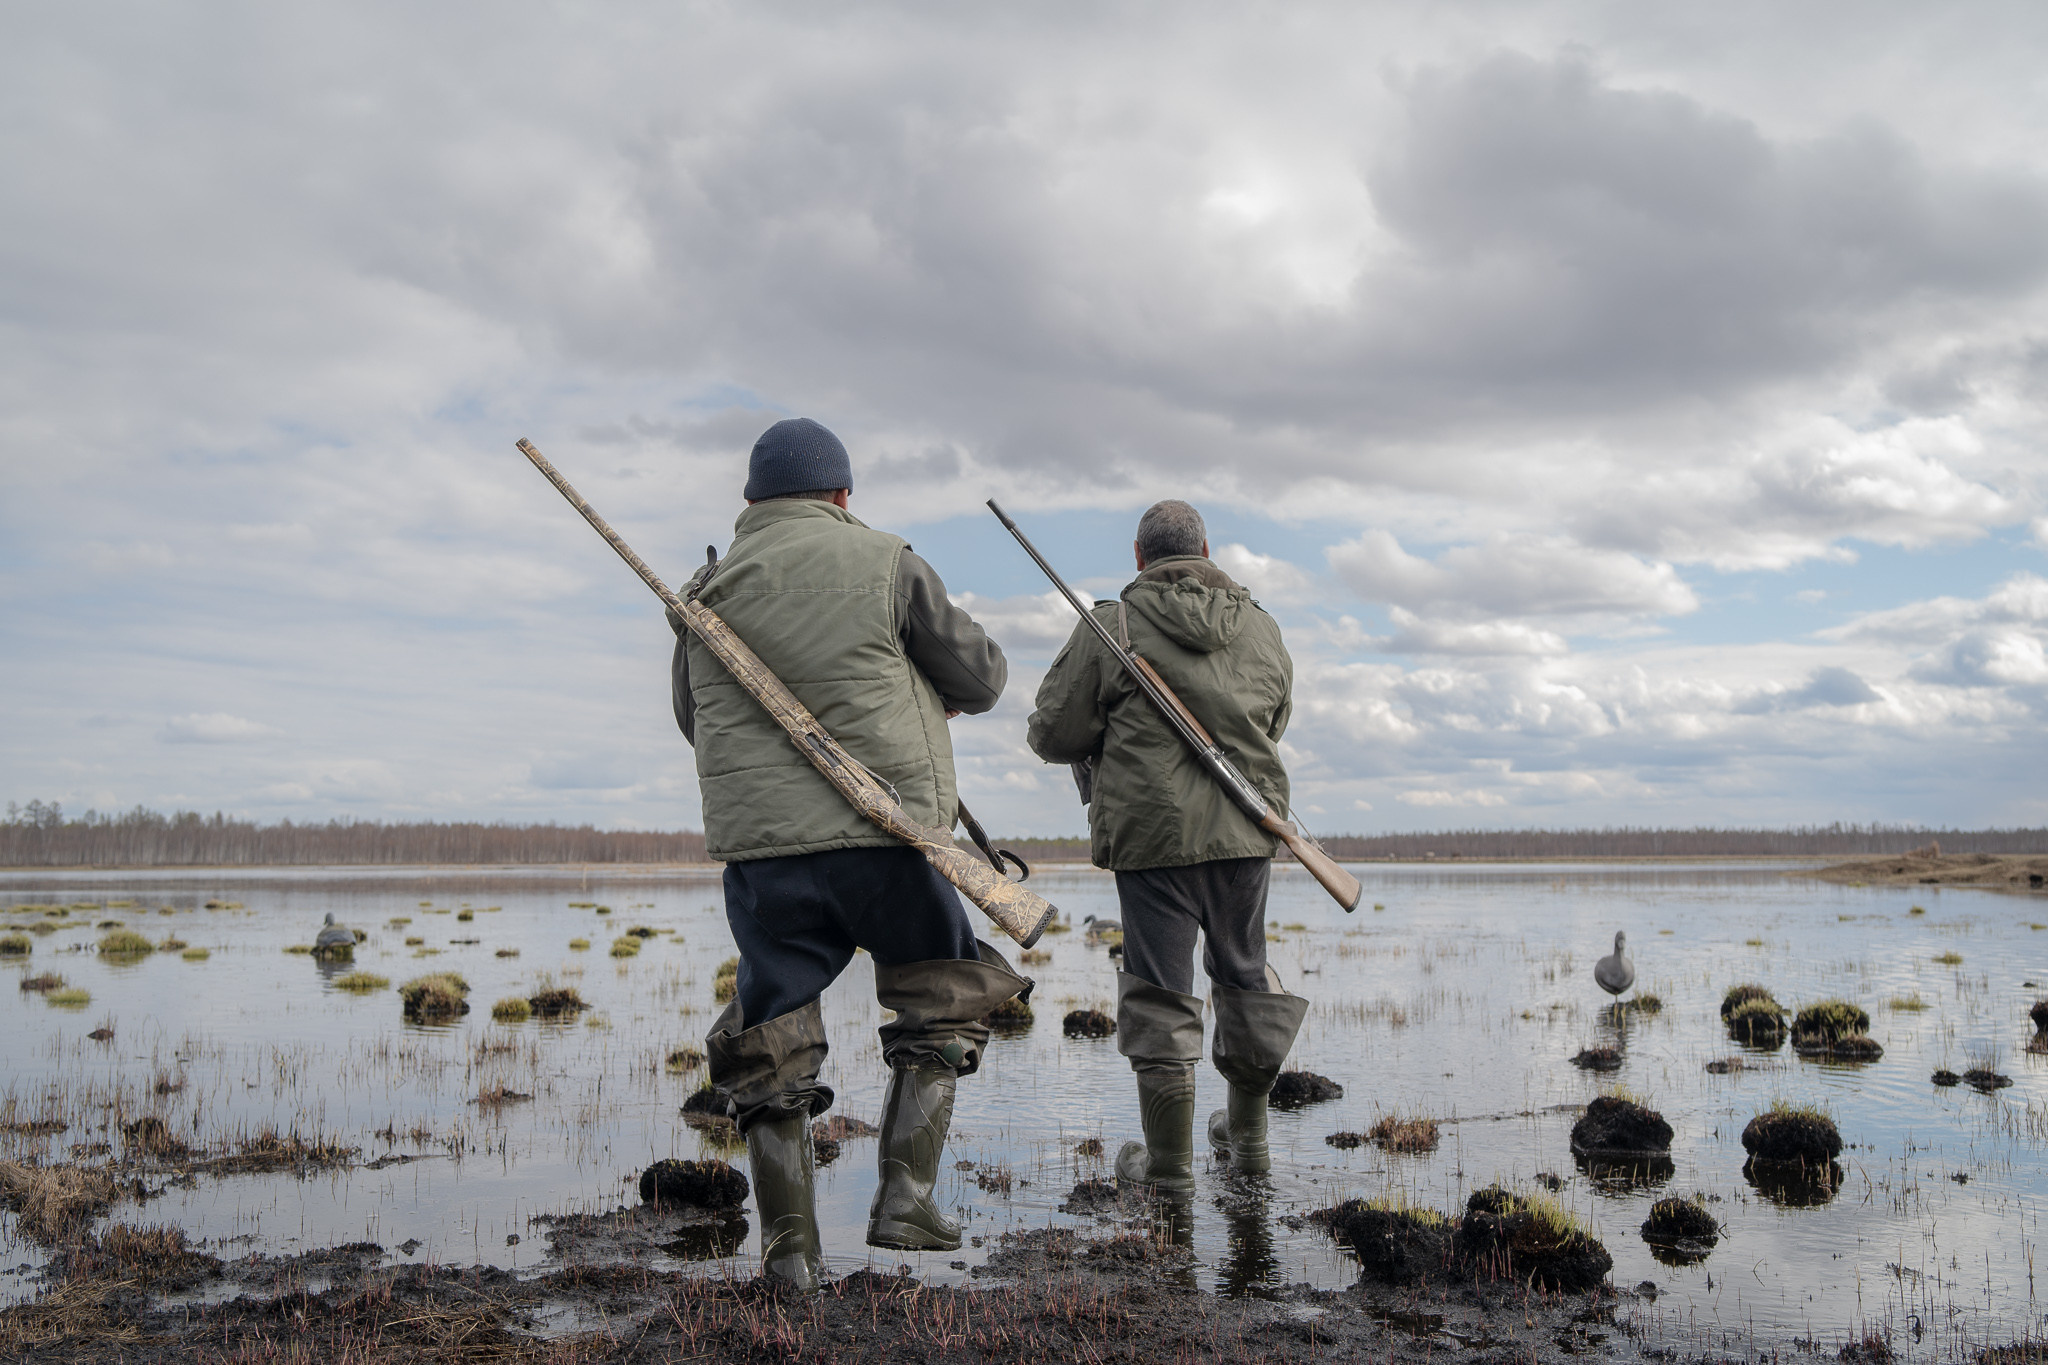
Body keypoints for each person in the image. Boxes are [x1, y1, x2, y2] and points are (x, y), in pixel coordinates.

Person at [671, 417, 1028, 1291]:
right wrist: (923, 688)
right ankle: (906, 1198)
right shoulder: (886, 561)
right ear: (841, 495)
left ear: (751, 498)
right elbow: (982, 677)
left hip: (766, 856)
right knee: (943, 994)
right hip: (889, 838)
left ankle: (789, 1256)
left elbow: (694, 717)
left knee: (769, 1038)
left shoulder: (704, 592)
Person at [1025, 499, 1308, 1196]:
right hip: (1247, 833)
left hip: (1152, 840)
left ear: (1138, 556)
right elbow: (1274, 718)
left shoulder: (1112, 623)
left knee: (1160, 993)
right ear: (1206, 551)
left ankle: (1170, 1169)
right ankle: (1249, 1145)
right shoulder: (1262, 626)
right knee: (1245, 974)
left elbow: (1052, 732)